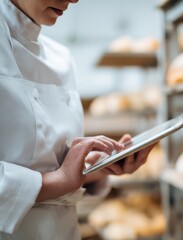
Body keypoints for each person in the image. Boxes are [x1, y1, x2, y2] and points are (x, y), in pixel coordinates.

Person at [0, 0, 156, 239]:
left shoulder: (61, 56)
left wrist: (96, 166)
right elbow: (58, 176)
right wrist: (59, 180)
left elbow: (54, 165)